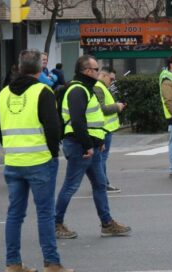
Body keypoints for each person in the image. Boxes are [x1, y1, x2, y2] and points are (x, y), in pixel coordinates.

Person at [0, 50, 70, 272]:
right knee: (45, 213)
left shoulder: (4, 93)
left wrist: (11, 144)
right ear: (38, 69)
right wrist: (53, 152)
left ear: (19, 67)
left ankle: (13, 263)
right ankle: (52, 263)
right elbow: (53, 127)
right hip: (40, 160)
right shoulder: (42, 91)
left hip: (14, 161)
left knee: (14, 213)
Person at [54, 55, 132, 241]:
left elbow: (92, 120)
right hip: (80, 145)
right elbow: (78, 121)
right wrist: (88, 145)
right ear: (87, 71)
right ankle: (56, 224)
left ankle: (107, 223)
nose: (99, 72)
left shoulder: (87, 89)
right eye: (96, 69)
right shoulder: (78, 90)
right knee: (71, 185)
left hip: (91, 145)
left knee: (99, 185)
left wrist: (99, 141)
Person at [94, 67, 125, 193]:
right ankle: (102, 183)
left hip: (105, 128)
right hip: (104, 129)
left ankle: (101, 183)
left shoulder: (101, 87)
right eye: (111, 79)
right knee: (101, 158)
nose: (112, 82)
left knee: (100, 158)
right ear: (103, 75)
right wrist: (117, 106)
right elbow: (102, 108)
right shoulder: (98, 87)